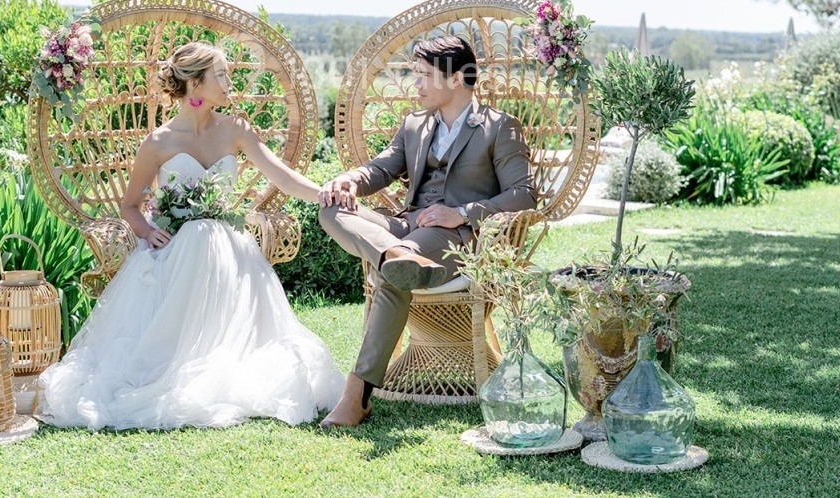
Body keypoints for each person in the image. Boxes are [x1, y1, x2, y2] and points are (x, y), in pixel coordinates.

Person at [38, 41, 344, 431]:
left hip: (231, 256)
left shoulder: (236, 129)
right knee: (197, 235)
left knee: (208, 233)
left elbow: (279, 175)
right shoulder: (159, 143)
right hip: (174, 254)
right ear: (196, 84)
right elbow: (129, 206)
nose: (229, 81)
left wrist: (323, 193)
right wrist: (148, 232)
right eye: (221, 74)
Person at [316, 36, 536, 428]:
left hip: (456, 240)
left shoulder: (499, 126)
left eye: (423, 75)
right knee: (332, 207)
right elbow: (382, 169)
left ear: (456, 80)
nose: (415, 84)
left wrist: (462, 213)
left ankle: (358, 393)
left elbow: (524, 196)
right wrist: (349, 179)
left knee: (394, 271)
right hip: (404, 227)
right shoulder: (415, 124)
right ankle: (394, 254)